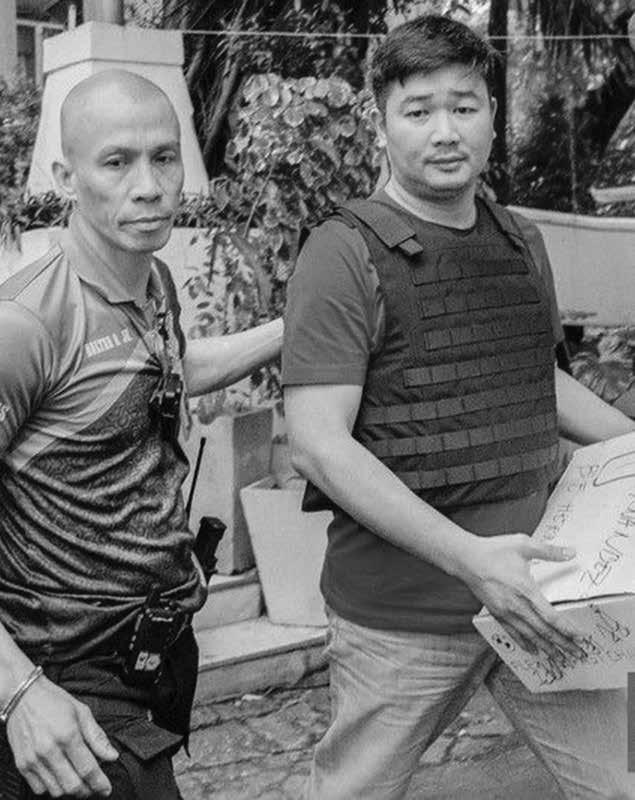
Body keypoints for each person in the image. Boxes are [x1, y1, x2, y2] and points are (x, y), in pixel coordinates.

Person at [282, 14, 635, 800]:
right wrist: (472, 561)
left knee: (619, 784)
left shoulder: (519, 241)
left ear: (491, 116)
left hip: (541, 603)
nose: (444, 131)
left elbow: (535, 383)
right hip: (400, 618)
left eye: (463, 106)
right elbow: (317, 444)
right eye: (418, 111)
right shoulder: (340, 253)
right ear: (380, 124)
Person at [0, 69, 282, 800]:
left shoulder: (151, 283)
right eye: (117, 162)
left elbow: (168, 367)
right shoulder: (26, 323)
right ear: (66, 178)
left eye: (164, 157)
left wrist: (293, 329)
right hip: (62, 676)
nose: (150, 187)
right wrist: (17, 693)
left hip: (151, 656)